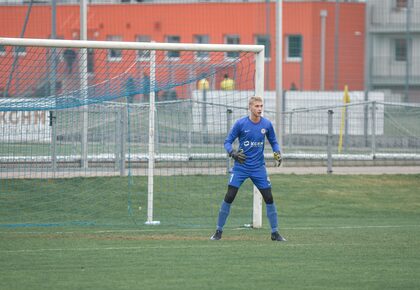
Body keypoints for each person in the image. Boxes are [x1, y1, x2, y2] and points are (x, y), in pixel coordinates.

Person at [210, 96, 286, 242]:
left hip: (258, 168)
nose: (259, 109)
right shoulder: (240, 124)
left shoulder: (267, 125)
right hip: (241, 167)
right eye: (257, 106)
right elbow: (227, 142)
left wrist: (277, 153)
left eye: (261, 106)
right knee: (230, 196)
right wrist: (232, 153)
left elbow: (274, 142)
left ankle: (275, 233)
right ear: (250, 107)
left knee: (269, 198)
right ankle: (218, 231)